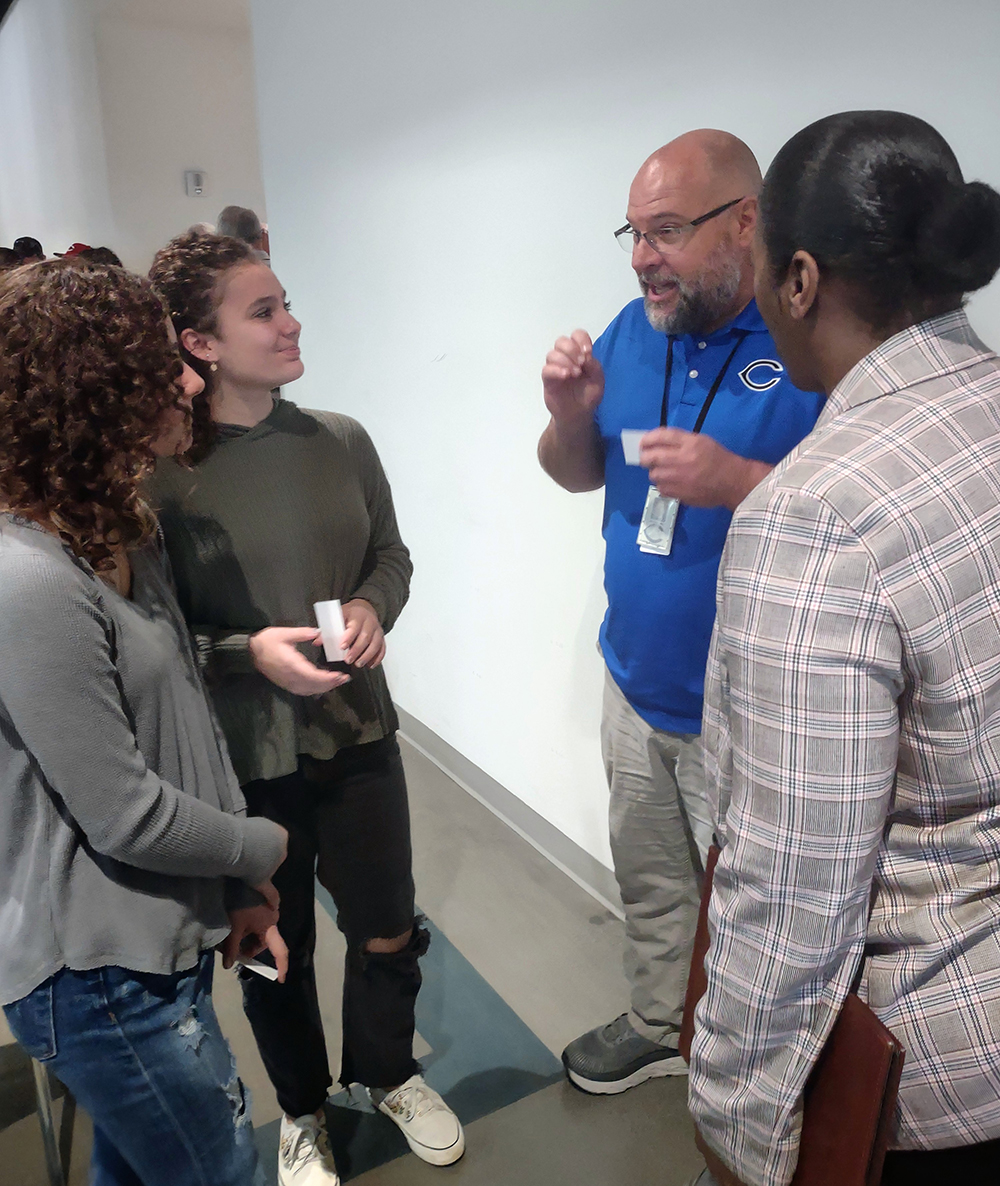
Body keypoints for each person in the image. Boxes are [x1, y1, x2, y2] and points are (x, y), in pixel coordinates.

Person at [689, 110, 1000, 1186]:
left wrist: (735, 1127)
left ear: (799, 279)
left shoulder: (815, 510)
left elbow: (793, 884)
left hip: (935, 1078)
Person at [148, 229, 465, 1185]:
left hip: (359, 735)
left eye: (286, 303)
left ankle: (389, 1073)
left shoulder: (339, 440)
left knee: (385, 925)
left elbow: (392, 557)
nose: (292, 323)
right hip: (242, 762)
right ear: (201, 343)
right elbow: (159, 640)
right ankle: (300, 1108)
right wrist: (253, 655)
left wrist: (373, 606)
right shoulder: (165, 476)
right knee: (270, 948)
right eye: (265, 310)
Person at [539, 129, 825, 1096]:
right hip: (635, 679)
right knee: (654, 880)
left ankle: (755, 1088)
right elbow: (578, 476)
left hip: (747, 708)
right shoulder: (632, 329)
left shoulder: (806, 338)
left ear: (745, 220)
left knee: (759, 918)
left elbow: (861, 513)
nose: (641, 258)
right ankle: (660, 1023)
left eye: (665, 231)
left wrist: (741, 479)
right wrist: (569, 413)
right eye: (633, 232)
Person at [0, 258, 289, 1186]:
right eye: (165, 366)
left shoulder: (118, 523)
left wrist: (234, 890)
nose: (194, 382)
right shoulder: (28, 579)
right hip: (97, 976)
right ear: (91, 392)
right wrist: (259, 846)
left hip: (160, 933)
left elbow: (181, 718)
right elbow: (123, 810)